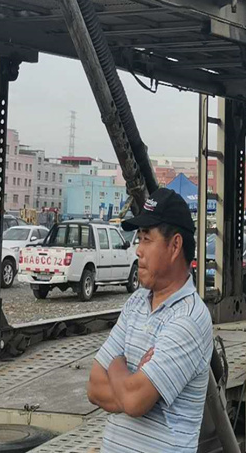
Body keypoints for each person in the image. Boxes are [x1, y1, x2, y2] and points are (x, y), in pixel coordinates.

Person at [87, 188, 213, 453]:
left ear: (175, 246)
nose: (138, 251)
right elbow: (94, 387)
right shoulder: (136, 302)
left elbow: (134, 401)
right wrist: (133, 383)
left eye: (146, 239)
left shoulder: (189, 318)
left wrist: (116, 364)